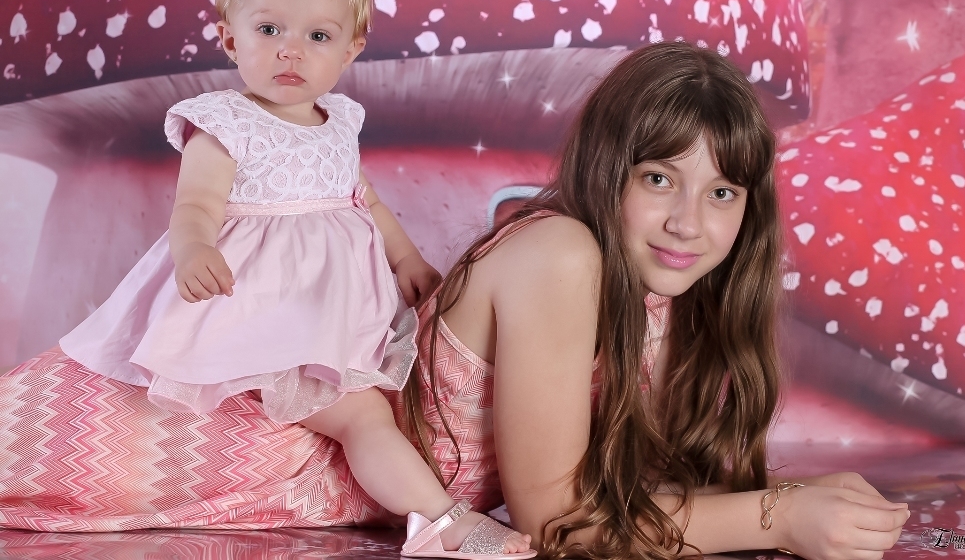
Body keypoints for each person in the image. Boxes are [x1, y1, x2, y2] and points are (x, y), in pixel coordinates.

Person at [0, 40, 908, 559]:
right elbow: (556, 521)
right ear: (608, 171)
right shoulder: (561, 253)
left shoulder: (659, 298)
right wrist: (779, 516)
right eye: (658, 178)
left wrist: (785, 498)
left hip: (314, 476)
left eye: (723, 192)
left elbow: (628, 492)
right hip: (227, 433)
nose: (688, 222)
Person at [53, 0, 534, 559]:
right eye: (269, 30)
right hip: (264, 311)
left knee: (372, 411)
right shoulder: (225, 122)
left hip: (328, 311)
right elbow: (195, 204)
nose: (291, 52)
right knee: (362, 416)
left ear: (351, 49)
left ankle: (433, 515)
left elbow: (366, 201)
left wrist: (407, 258)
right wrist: (195, 249)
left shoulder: (341, 122)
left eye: (317, 36)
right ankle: (442, 522)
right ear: (231, 38)